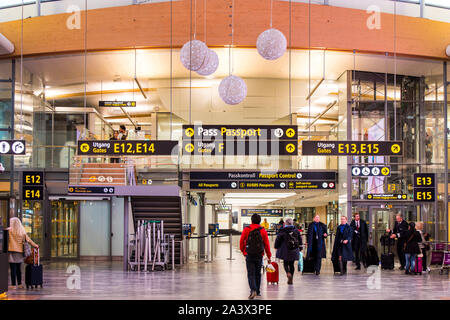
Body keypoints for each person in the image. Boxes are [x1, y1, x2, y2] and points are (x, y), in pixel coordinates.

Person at [239, 214, 272, 299]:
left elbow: (241, 241)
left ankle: (253, 290)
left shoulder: (247, 229)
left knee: (251, 273)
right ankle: (257, 291)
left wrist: (244, 252)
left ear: (251, 220)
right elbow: (266, 244)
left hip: (249, 254)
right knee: (258, 273)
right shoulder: (263, 230)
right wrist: (269, 256)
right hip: (259, 255)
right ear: (260, 221)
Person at [6, 217, 39, 289]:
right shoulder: (22, 231)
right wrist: (35, 245)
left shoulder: (9, 231)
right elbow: (29, 241)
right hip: (20, 252)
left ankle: (13, 285)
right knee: (18, 268)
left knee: (13, 268)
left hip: (11, 251)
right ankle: (20, 284)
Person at [274, 218, 303, 285]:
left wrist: (276, 246)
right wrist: (300, 247)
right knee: (292, 264)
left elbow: (278, 239)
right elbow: (300, 239)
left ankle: (288, 273)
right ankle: (291, 278)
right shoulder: (296, 230)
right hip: (294, 249)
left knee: (285, 263)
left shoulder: (282, 230)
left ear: (285, 223)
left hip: (285, 249)